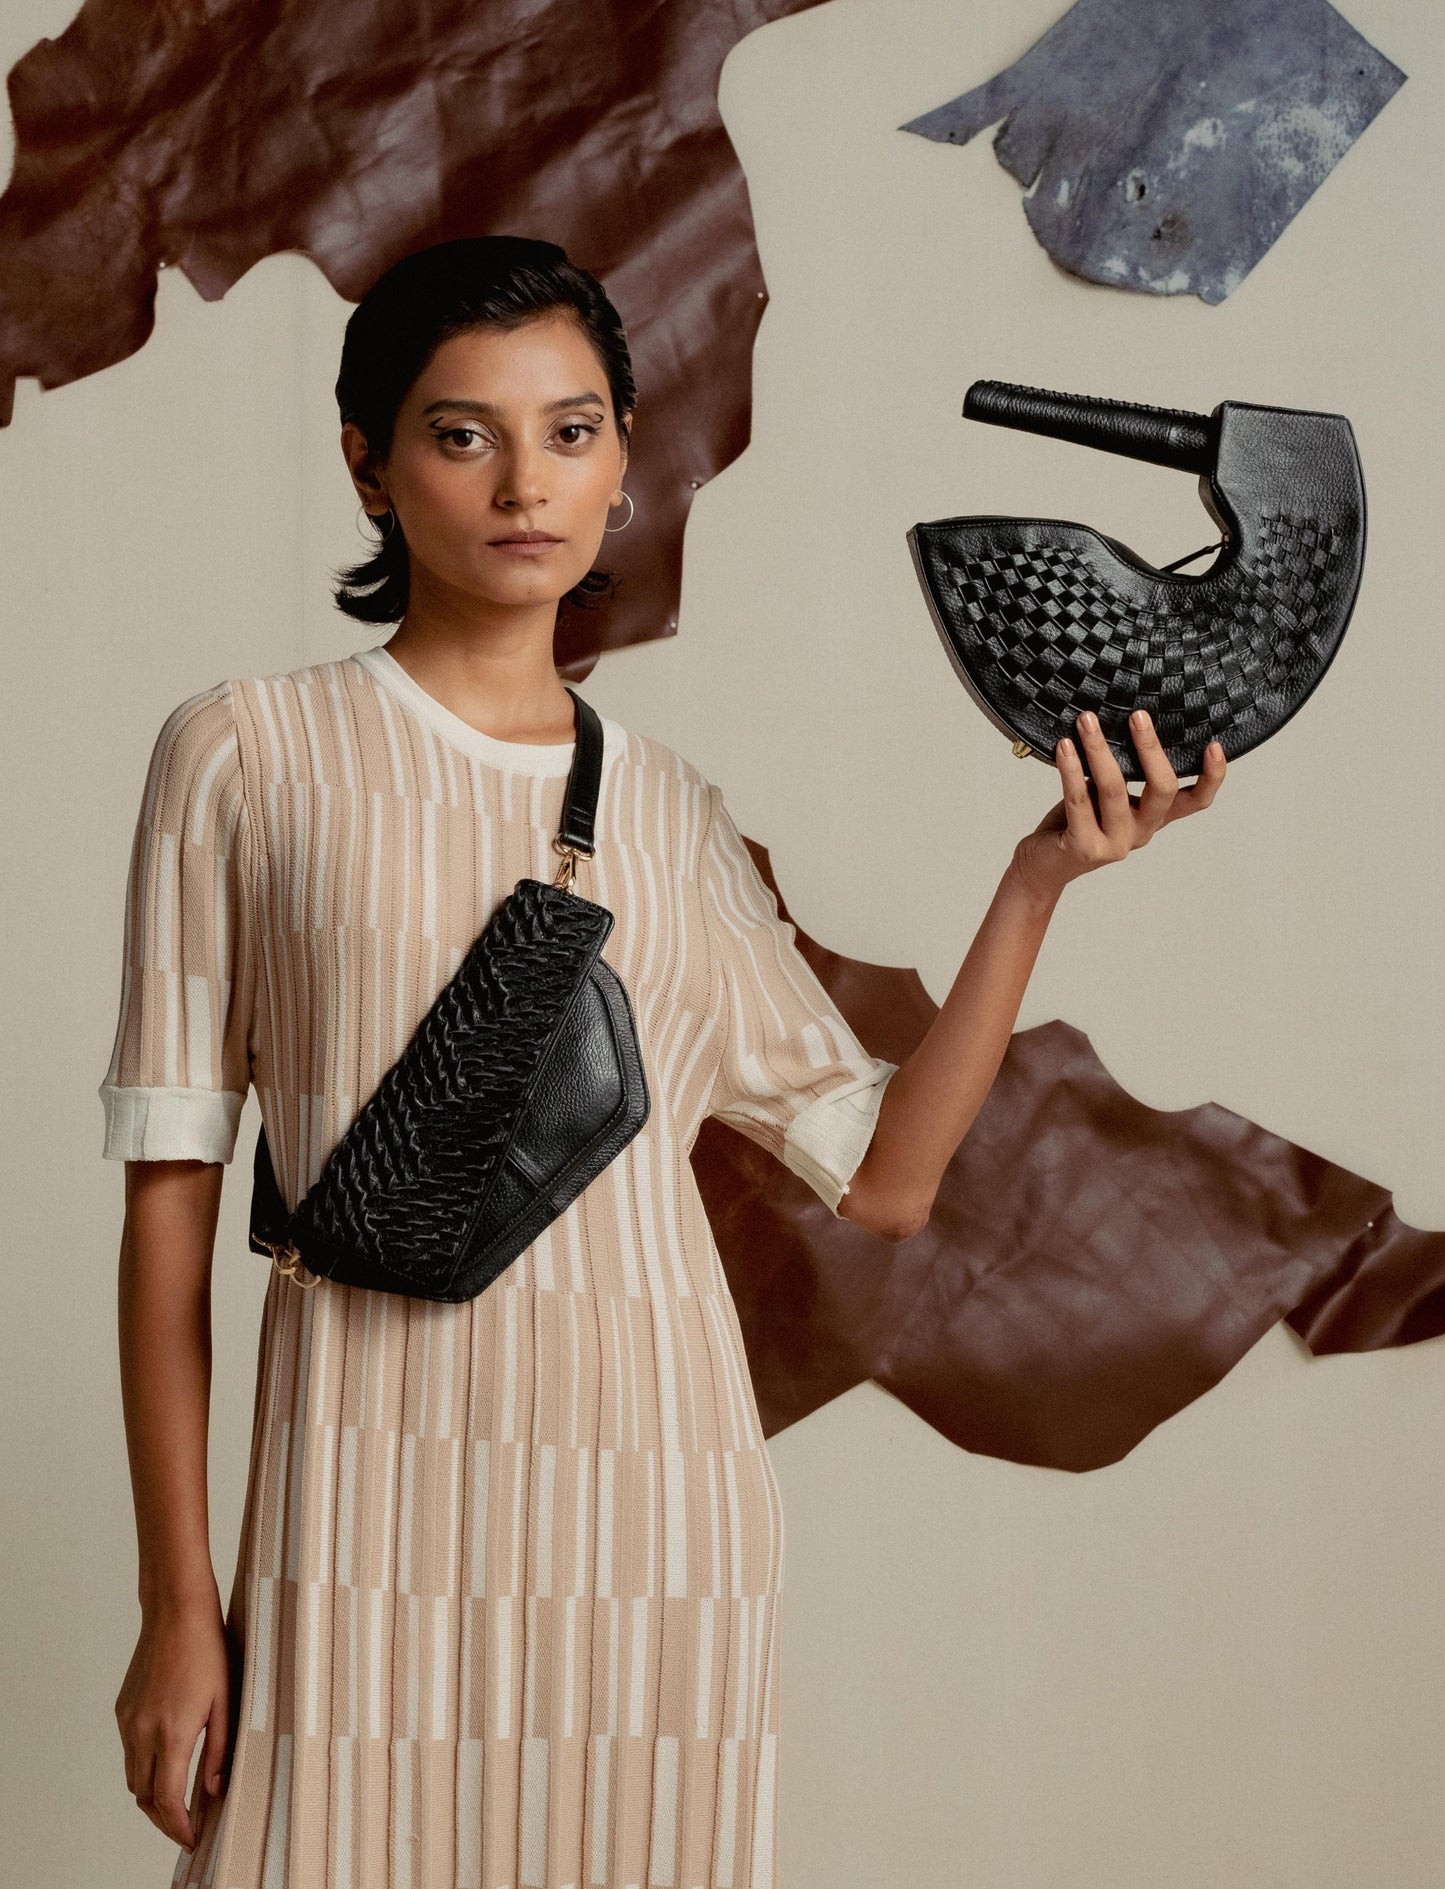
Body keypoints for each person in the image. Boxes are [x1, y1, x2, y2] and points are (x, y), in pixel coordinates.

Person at [101, 234, 1226, 1888]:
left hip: (653, 1514)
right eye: (461, 431)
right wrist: (177, 1605)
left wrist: (1034, 878)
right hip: (359, 1499)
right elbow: (168, 1207)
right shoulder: (245, 753)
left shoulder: (675, 813)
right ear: (369, 461)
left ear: (623, 459)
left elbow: (890, 1180)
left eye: (572, 430)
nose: (523, 483)